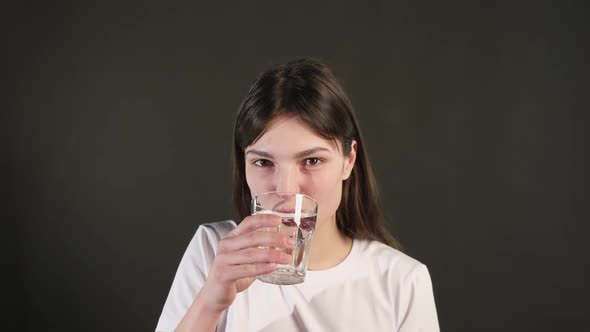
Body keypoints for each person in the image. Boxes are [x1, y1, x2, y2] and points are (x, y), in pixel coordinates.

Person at [156, 58, 440, 332]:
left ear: (348, 160)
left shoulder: (401, 281)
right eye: (264, 163)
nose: (286, 189)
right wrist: (209, 303)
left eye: (312, 161)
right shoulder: (213, 252)